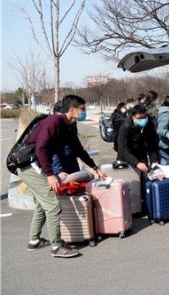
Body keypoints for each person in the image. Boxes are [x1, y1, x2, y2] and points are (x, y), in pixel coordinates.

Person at [18, 95, 106, 258]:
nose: (84, 112)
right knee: (53, 205)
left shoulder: (70, 126)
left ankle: (34, 241)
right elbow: (41, 149)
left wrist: (95, 168)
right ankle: (56, 246)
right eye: (82, 109)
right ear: (72, 109)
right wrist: (51, 174)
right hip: (29, 166)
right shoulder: (54, 122)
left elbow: (78, 149)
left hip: (37, 166)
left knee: (41, 205)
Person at [116, 104, 159, 173]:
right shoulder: (125, 127)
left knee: (143, 177)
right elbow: (123, 148)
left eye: (144, 117)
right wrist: (136, 162)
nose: (143, 120)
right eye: (139, 118)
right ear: (133, 117)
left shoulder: (149, 124)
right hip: (126, 157)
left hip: (141, 154)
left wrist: (154, 160)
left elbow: (151, 143)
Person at [51, 101, 80, 181]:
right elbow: (53, 151)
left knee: (77, 185)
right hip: (60, 165)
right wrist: (58, 171)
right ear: (57, 113)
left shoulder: (72, 125)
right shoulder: (54, 127)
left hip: (72, 161)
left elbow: (75, 142)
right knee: (64, 189)